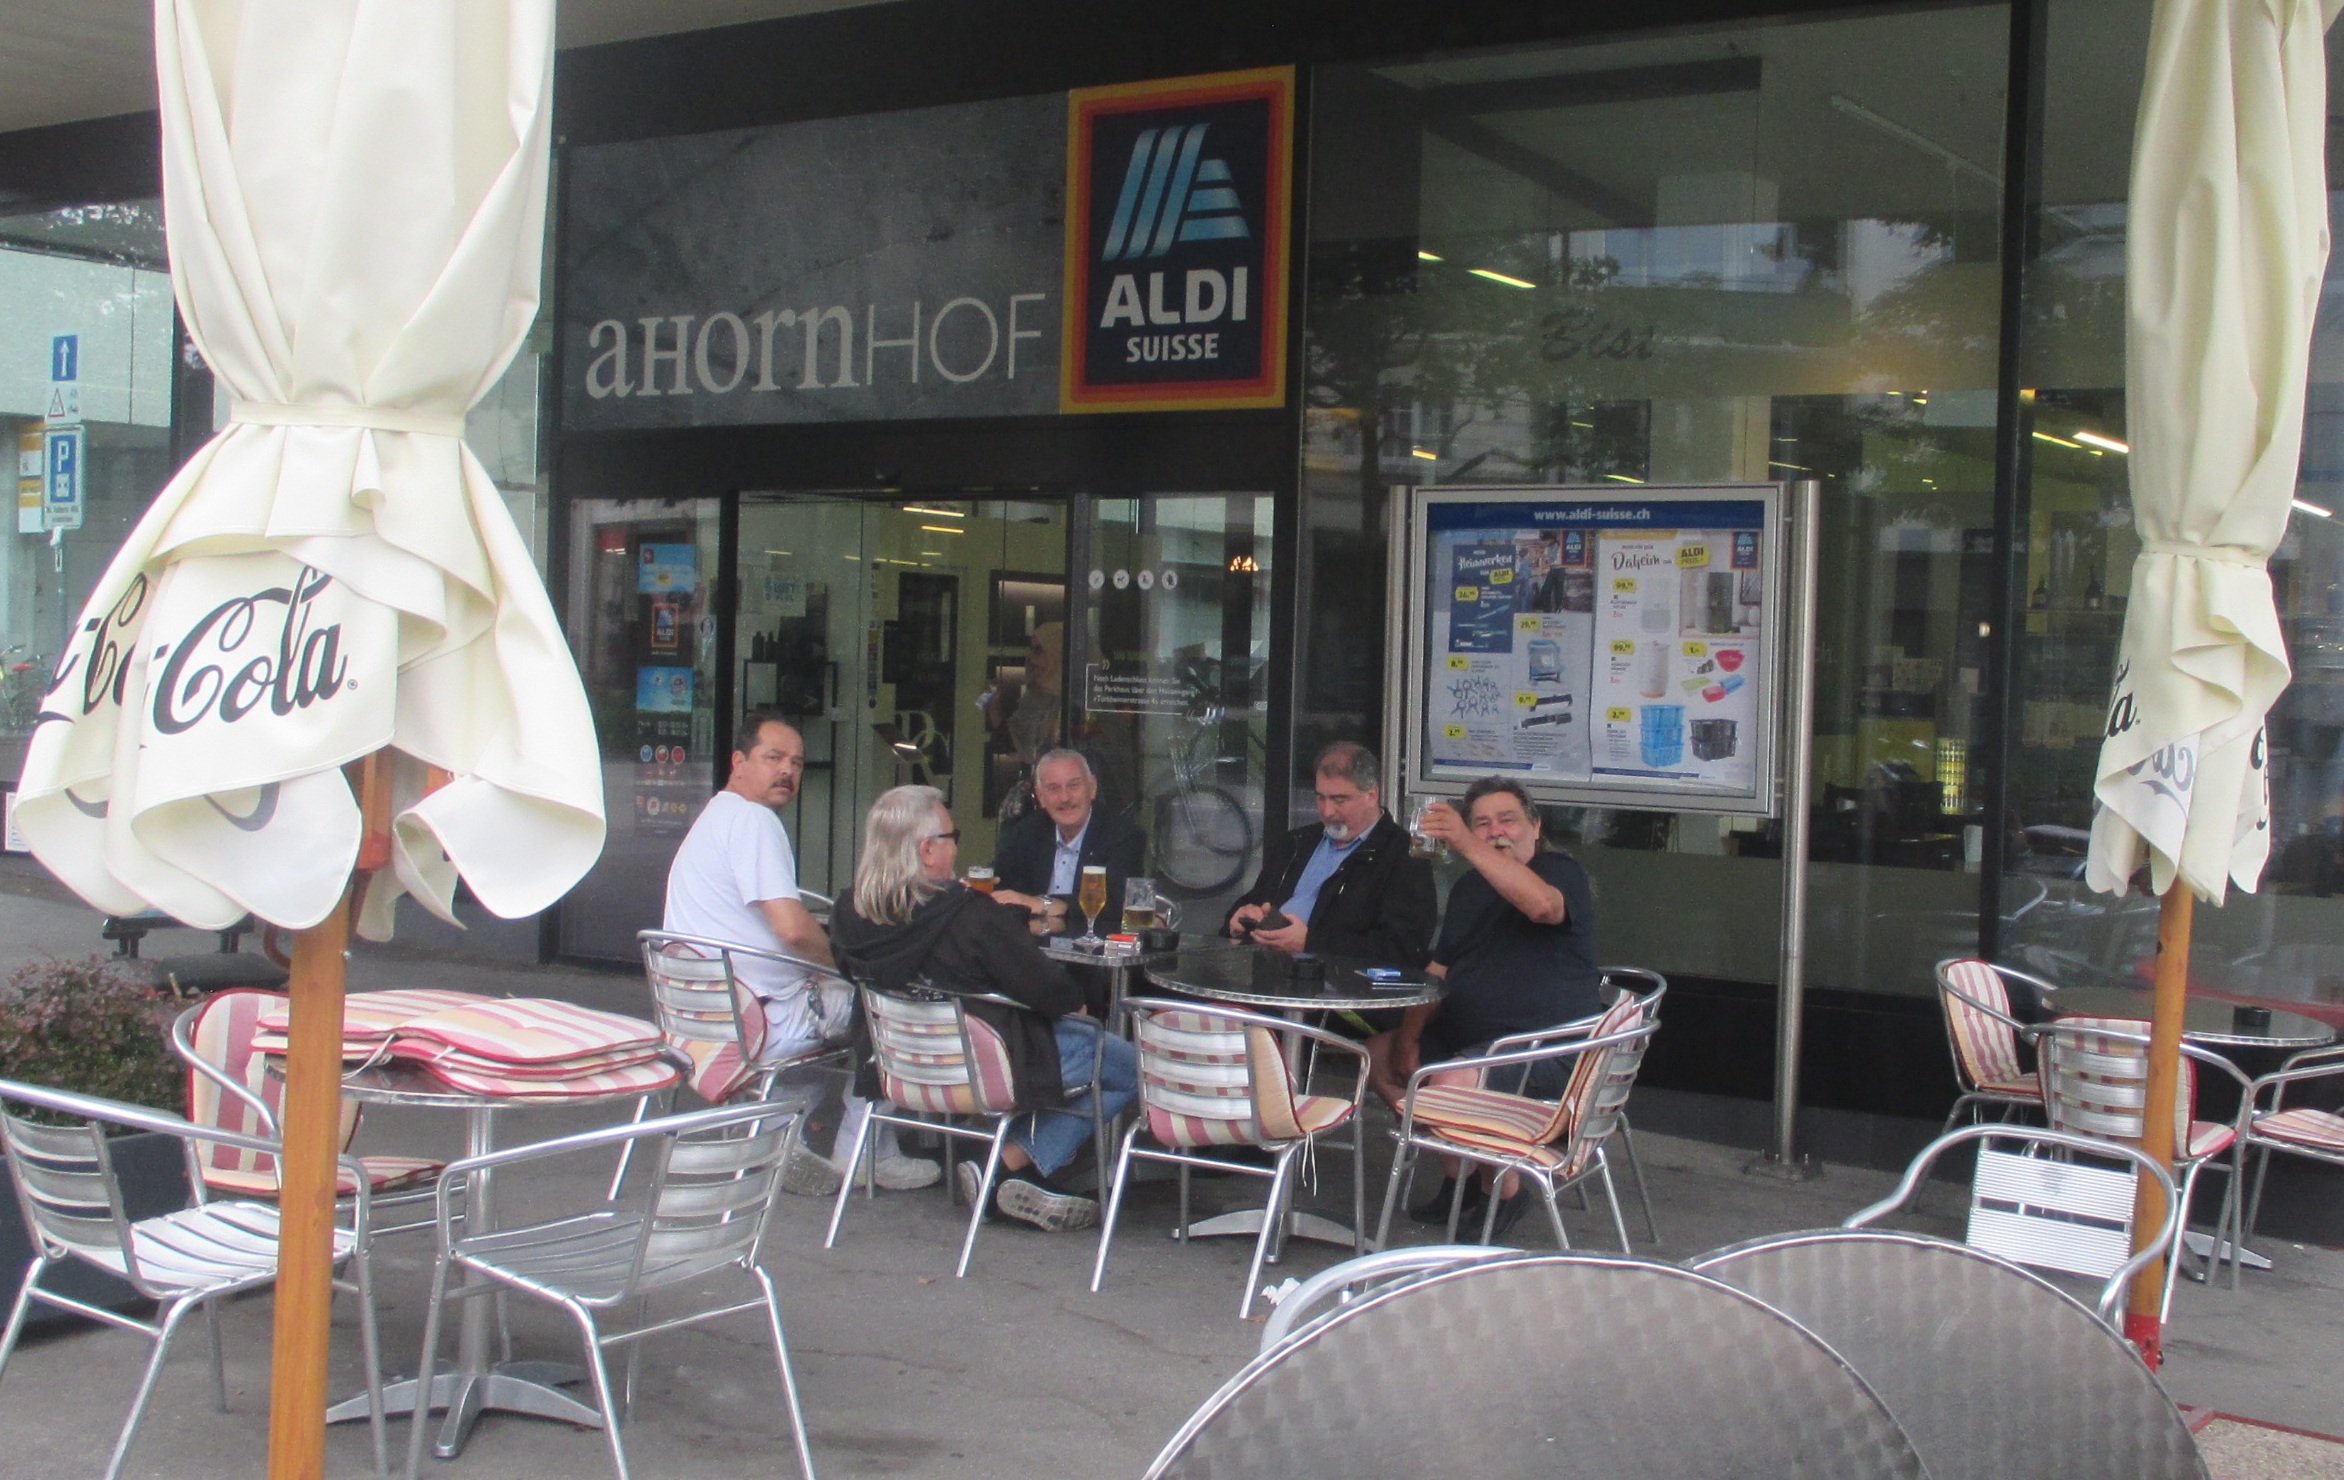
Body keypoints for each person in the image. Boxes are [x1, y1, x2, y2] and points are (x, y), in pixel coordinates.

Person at [830, 785, 1140, 1232]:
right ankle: (1006, 1165)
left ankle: (1008, 1170)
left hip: (901, 1066)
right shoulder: (970, 916)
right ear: (928, 849)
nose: (957, 843)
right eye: (952, 835)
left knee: (1098, 1055)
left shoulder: (848, 911)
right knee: (1129, 1067)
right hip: (994, 1065)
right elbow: (1051, 990)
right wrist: (1077, 1004)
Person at [665, 711, 939, 1196]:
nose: (787, 771)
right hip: (762, 1020)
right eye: (773, 758)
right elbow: (793, 930)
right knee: (895, 1004)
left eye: (796, 762)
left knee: (835, 998)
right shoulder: (754, 822)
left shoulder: (715, 817)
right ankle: (865, 1151)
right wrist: (852, 967)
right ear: (738, 761)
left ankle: (775, 1132)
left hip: (700, 1024)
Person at [1364, 775, 1601, 1237]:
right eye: (1482, 824)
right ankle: (1462, 1179)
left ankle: (1506, 1193)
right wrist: (1409, 1040)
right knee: (1377, 1055)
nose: (1496, 832)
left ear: (1535, 825)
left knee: (1451, 1081)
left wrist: (1468, 842)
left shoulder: (1559, 870)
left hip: (1545, 1051)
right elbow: (1439, 970)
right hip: (1472, 1041)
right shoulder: (1471, 888)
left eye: (1507, 821)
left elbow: (1543, 908)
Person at [1224, 743, 1437, 974]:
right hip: (1269, 978)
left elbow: (1403, 950)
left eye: (1339, 800)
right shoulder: (1297, 843)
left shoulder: (1403, 856)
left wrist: (1311, 944)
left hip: (1342, 997)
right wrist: (1238, 920)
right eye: (1320, 798)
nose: (1327, 811)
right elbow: (1256, 900)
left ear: (1372, 795)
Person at [990, 748, 1147, 936]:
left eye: (1073, 786)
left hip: (1094, 955)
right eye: (1053, 788)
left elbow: (1116, 905)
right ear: (1041, 797)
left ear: (1093, 788)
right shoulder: (1026, 832)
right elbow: (1001, 881)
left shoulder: (1123, 835)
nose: (1065, 798)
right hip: (1031, 953)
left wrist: (1043, 904)